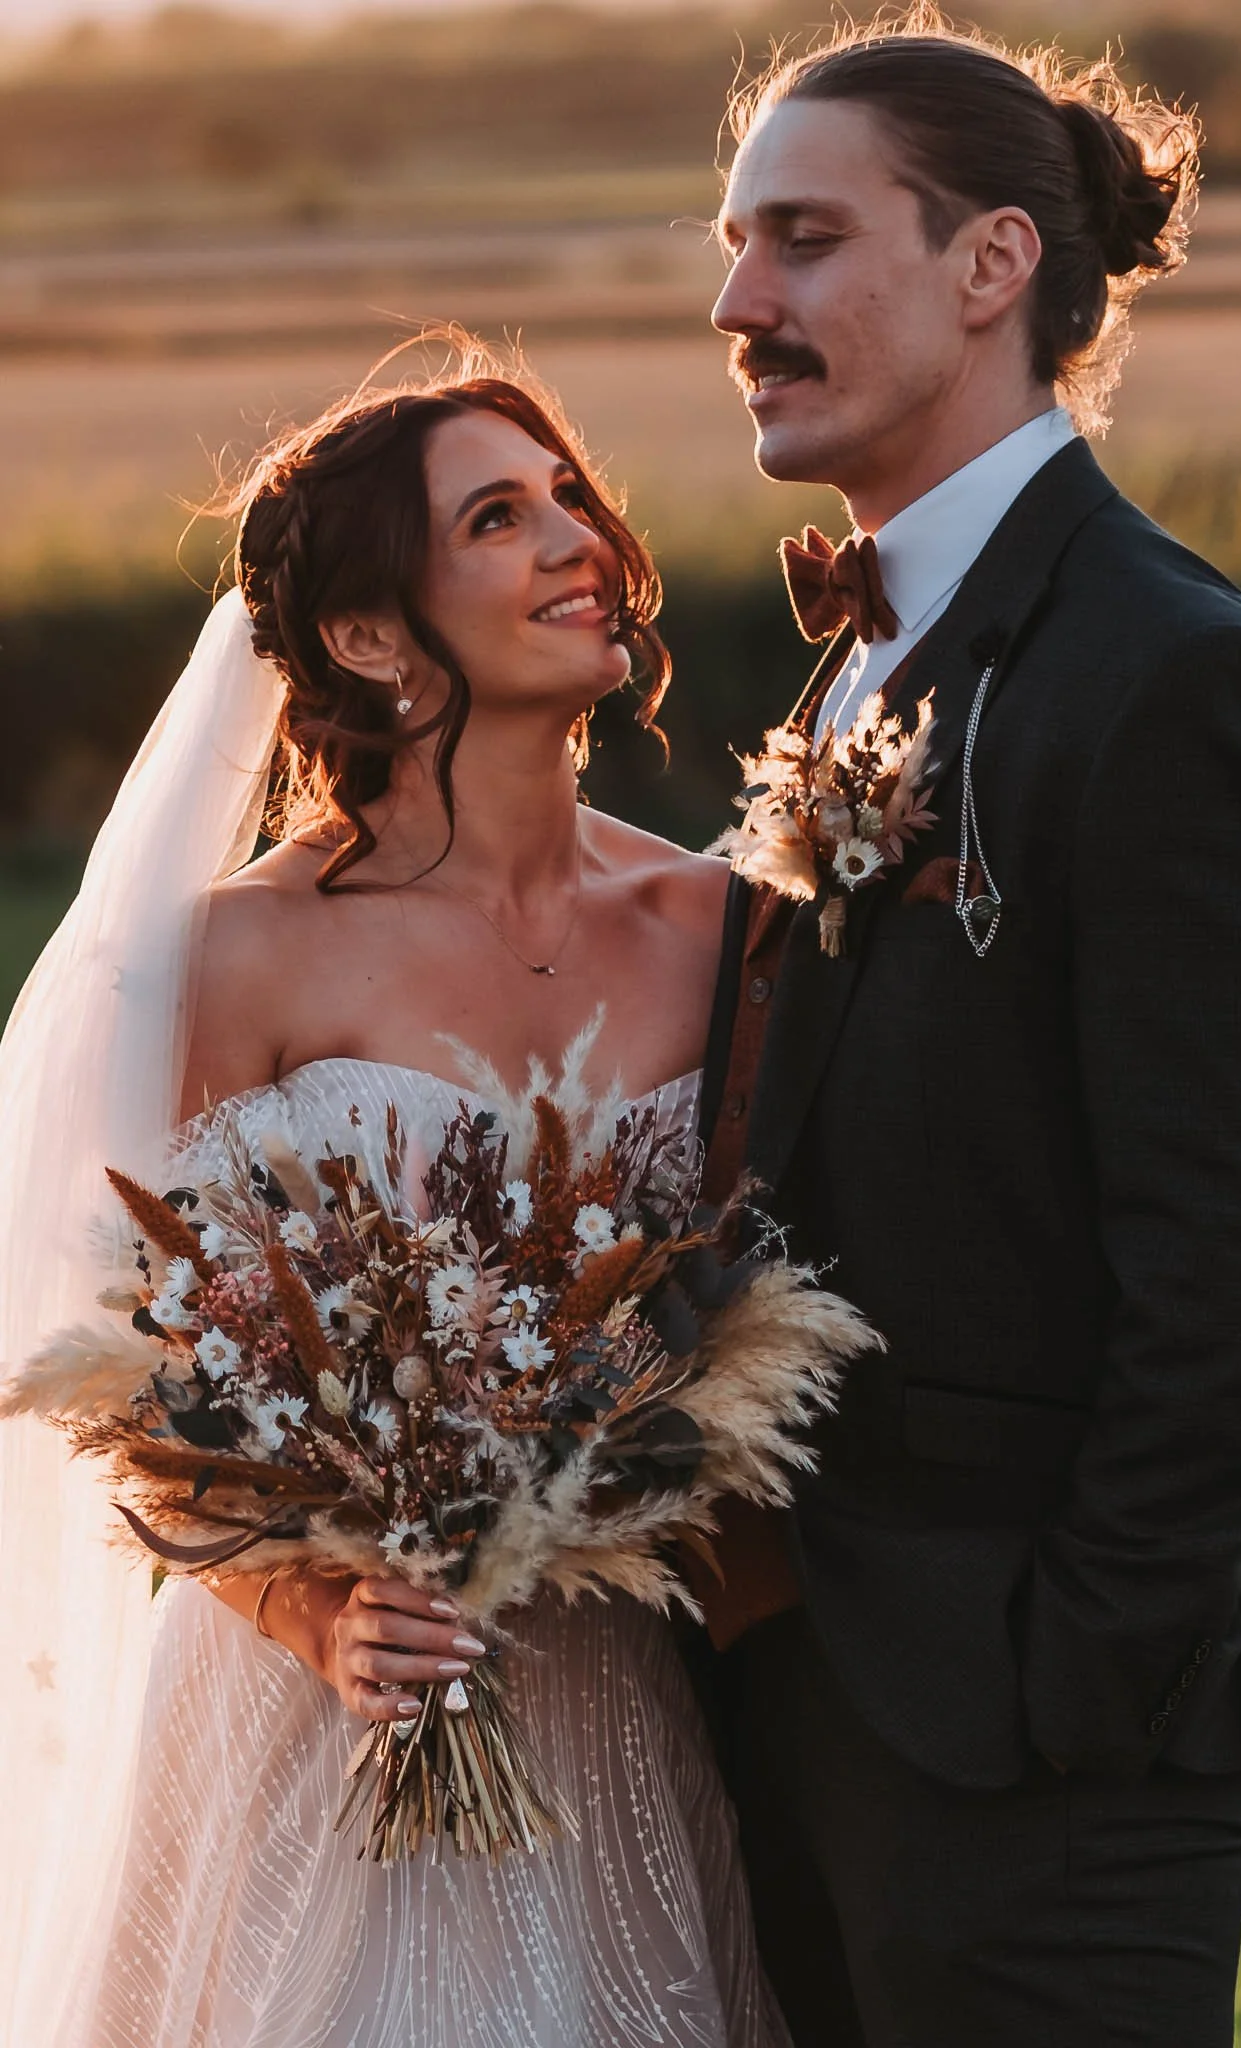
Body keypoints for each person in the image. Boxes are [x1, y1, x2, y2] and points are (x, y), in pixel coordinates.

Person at [696, 13, 1241, 2047]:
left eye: (805, 239)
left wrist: (1064, 1675)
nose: (738, 305)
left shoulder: (1173, 676)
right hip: (799, 1698)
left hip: (1035, 1746)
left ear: (992, 263)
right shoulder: (859, 663)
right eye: (733, 248)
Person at [0, 348, 787, 2048]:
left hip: (607, 1702)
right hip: (317, 1728)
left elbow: (750, 1300)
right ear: (367, 636)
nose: (579, 540)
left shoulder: (727, 931)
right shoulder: (241, 954)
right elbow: (152, 1382)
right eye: (498, 519)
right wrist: (326, 1617)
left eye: (570, 494)